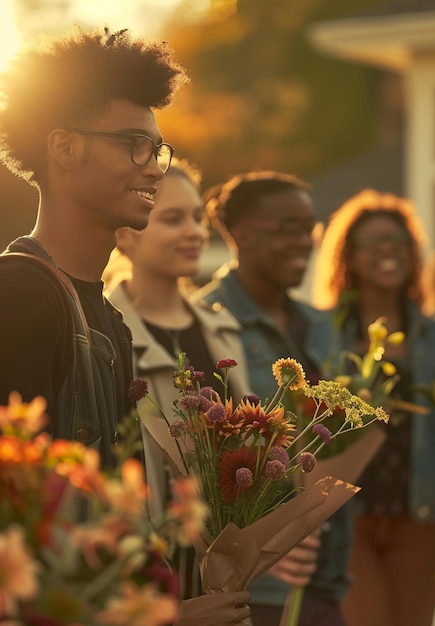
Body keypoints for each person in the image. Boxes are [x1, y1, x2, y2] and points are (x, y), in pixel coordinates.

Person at [0, 26, 250, 626]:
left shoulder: (108, 319)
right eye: (135, 143)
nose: (155, 167)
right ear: (64, 148)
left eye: (158, 148)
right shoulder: (20, 294)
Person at [194, 170, 350, 626]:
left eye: (309, 229)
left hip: (330, 574)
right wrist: (264, 548)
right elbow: (201, 464)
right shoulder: (205, 323)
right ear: (242, 234)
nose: (303, 241)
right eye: (288, 229)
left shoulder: (323, 325)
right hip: (255, 584)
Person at [312, 189, 435, 626]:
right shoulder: (320, 334)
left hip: (418, 516)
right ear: (350, 257)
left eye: (398, 243)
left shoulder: (431, 336)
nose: (388, 251)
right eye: (374, 242)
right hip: (349, 518)